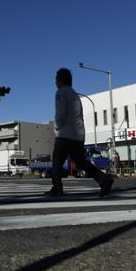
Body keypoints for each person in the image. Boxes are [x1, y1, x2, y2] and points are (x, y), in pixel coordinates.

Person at [46, 68, 113, 197]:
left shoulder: (60, 92)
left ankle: (57, 188)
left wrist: (56, 127)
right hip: (78, 135)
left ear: (61, 80)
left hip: (64, 135)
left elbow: (60, 114)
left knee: (57, 161)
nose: (55, 82)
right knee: (81, 162)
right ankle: (103, 179)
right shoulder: (76, 95)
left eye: (56, 79)